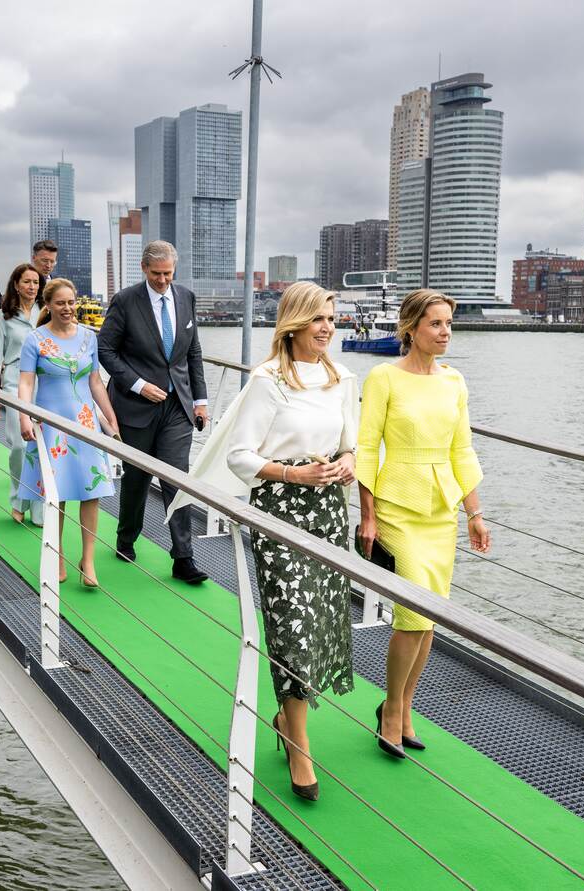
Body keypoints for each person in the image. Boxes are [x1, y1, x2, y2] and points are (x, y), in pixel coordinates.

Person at [170, 282, 358, 800]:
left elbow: (352, 445)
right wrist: (293, 474)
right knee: (291, 625)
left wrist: (347, 463)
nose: (327, 327)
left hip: (327, 510)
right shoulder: (268, 380)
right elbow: (239, 456)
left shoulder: (343, 378)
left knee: (319, 623)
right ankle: (298, 742)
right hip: (279, 509)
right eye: (317, 318)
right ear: (293, 323)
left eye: (331, 318)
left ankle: (286, 718)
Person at [355, 288, 491, 760]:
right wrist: (367, 514)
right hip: (397, 505)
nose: (445, 332)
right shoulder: (383, 377)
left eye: (449, 323)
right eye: (435, 323)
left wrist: (474, 513)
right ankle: (391, 709)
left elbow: (462, 450)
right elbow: (367, 447)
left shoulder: (454, 381)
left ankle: (404, 706)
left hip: (441, 512)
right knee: (412, 615)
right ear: (410, 328)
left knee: (429, 617)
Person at [97, 240, 208, 584]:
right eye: (157, 274)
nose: (162, 280)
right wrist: (138, 384)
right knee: (137, 478)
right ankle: (126, 537)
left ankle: (183, 557)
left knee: (177, 479)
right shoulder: (125, 301)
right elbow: (105, 350)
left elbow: (193, 352)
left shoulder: (186, 297)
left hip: (177, 406)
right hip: (136, 406)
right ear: (144, 268)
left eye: (168, 274)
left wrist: (200, 400)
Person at [18, 279, 120, 586]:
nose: (67, 308)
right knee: (57, 494)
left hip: (85, 422)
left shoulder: (89, 337)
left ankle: (88, 560)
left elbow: (95, 382)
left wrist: (111, 419)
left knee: (92, 491)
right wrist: (24, 417)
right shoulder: (35, 339)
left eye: (71, 302)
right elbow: (25, 382)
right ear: (48, 305)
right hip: (51, 424)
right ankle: (58, 554)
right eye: (60, 303)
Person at [0, 263, 44, 525]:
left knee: (41, 448)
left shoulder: (46, 311)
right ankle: (19, 500)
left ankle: (39, 508)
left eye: (36, 282)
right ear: (16, 285)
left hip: (43, 384)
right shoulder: (3, 316)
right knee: (20, 446)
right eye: (27, 282)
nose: (32, 287)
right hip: (13, 383)